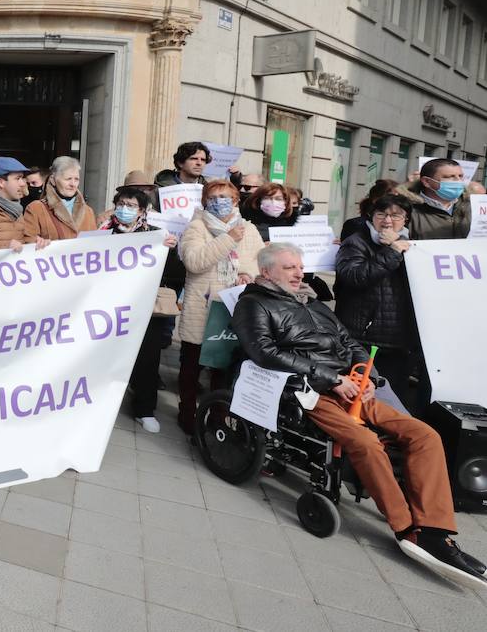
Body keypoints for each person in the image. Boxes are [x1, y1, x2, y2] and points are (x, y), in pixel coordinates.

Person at [234, 244, 487, 592]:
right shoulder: (253, 304)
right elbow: (264, 352)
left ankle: (435, 529)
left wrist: (368, 377)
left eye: (299, 265)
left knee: (424, 434)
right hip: (307, 390)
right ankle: (405, 528)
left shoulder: (313, 303)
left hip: (352, 386)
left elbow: (349, 342)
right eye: (290, 267)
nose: (298, 272)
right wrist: (331, 379)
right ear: (267, 272)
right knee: (365, 442)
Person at [175, 180, 263, 434]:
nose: (218, 201)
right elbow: (194, 261)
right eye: (212, 197)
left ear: (236, 200)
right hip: (202, 307)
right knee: (192, 365)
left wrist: (247, 274)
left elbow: (257, 262)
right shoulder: (196, 226)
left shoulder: (248, 229)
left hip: (231, 307)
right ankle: (187, 413)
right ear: (204, 201)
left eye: (224, 196)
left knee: (222, 368)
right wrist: (227, 239)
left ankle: (217, 416)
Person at [334, 194, 425, 415]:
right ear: (371, 217)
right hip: (366, 336)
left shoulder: (415, 245)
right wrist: (391, 251)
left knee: (395, 399)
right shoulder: (356, 242)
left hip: (400, 338)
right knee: (364, 398)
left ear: (406, 220)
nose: (387, 221)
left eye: (395, 215)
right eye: (381, 214)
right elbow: (354, 276)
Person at [97, 185, 176, 432]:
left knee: (147, 359)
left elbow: (173, 274)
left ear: (142, 210)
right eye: (121, 204)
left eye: (131, 206)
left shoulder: (156, 235)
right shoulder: (102, 233)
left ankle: (144, 409)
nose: (124, 209)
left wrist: (169, 251)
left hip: (146, 307)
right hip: (108, 306)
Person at [22, 156, 96, 240]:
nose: (73, 184)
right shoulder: (36, 209)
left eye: (76, 179)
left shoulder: (88, 212)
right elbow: (28, 243)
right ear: (53, 180)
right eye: (68, 179)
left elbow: (93, 244)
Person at [398, 158, 470, 239]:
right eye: (449, 177)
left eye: (460, 176)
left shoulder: (471, 206)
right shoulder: (405, 209)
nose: (458, 181)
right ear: (427, 182)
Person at [155, 140, 243, 187]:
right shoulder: (162, 188)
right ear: (180, 163)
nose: (199, 163)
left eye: (203, 160)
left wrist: (235, 177)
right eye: (194, 159)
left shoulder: (208, 190)